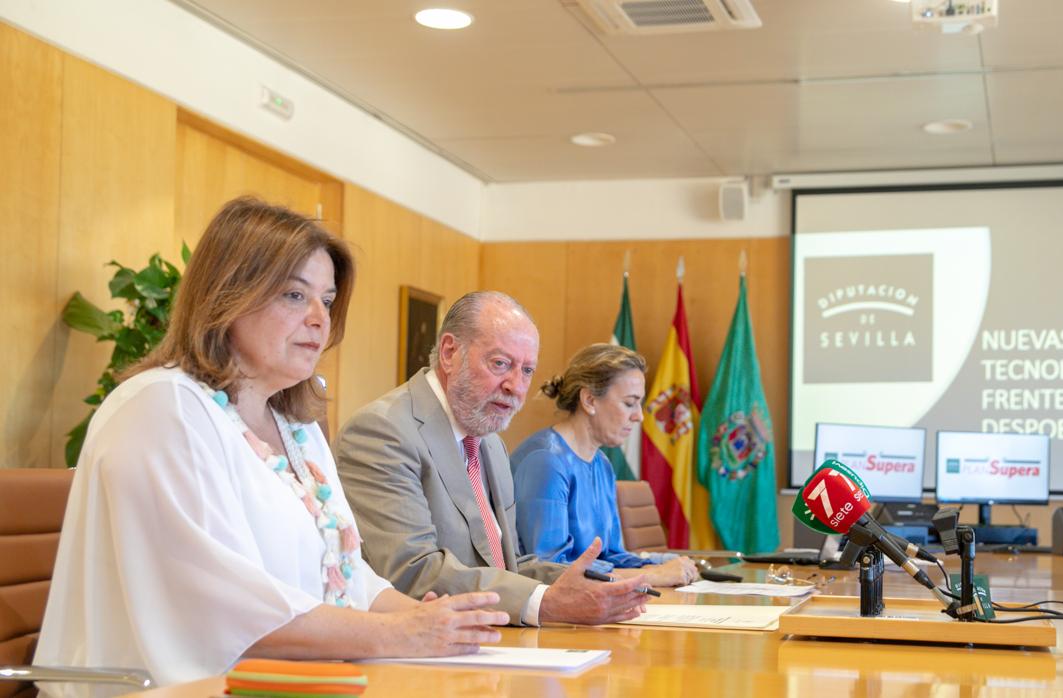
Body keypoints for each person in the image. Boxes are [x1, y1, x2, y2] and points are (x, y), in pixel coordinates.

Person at [35, 198, 508, 689]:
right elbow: (225, 610)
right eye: (293, 295)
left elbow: (345, 572)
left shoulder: (295, 425)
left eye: (326, 301)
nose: (319, 320)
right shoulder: (161, 408)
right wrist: (399, 633)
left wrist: (439, 624)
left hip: (287, 682)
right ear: (228, 293)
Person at [335, 291, 650, 626]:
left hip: (484, 640)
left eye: (527, 370)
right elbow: (412, 572)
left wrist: (599, 582)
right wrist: (545, 602)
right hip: (416, 657)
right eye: (500, 364)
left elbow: (505, 564)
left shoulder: (490, 444)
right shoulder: (383, 431)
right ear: (449, 353)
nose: (516, 386)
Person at [511, 344, 699, 586]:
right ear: (589, 400)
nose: (639, 416)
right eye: (630, 403)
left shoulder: (602, 464)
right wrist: (652, 576)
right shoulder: (545, 461)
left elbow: (610, 555)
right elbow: (551, 570)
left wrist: (667, 562)